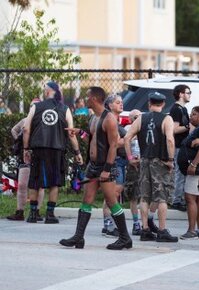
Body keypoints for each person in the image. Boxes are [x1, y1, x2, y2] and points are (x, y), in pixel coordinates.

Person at [60, 86, 132, 250]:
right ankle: (78, 237)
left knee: (111, 202)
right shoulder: (94, 118)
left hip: (105, 167)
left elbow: (114, 146)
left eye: (87, 97)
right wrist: (80, 133)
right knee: (87, 200)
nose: (84, 99)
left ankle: (125, 238)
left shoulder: (109, 119)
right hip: (93, 166)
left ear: (94, 99)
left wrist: (107, 169)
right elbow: (93, 140)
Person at [23, 81, 83, 223]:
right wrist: (77, 152)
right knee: (54, 183)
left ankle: (32, 214)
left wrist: (25, 149)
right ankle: (50, 215)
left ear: (48, 91)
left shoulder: (36, 107)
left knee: (35, 181)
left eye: (45, 89)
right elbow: (71, 133)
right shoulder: (65, 109)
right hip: (57, 149)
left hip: (38, 148)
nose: (44, 92)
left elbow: (26, 129)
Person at [124, 91, 178, 243]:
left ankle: (145, 229)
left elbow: (127, 137)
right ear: (162, 104)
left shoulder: (141, 118)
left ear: (149, 104)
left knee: (145, 196)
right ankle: (162, 230)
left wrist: (130, 158)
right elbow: (170, 140)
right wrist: (170, 159)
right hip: (160, 161)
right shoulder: (167, 119)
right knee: (162, 197)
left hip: (145, 160)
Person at [6, 115, 45, 221]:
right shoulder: (25, 120)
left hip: (40, 154)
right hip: (25, 155)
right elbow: (14, 130)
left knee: (40, 185)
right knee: (22, 184)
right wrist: (19, 141)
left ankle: (36, 211)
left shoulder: (45, 121)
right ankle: (20, 212)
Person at [178, 106, 199, 240]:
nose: (191, 116)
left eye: (194, 114)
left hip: (195, 170)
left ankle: (192, 230)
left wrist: (194, 164)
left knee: (190, 199)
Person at [100, 94, 127, 237]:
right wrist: (130, 136)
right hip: (114, 160)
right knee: (112, 194)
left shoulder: (115, 120)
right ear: (110, 105)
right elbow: (115, 143)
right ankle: (109, 226)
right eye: (118, 102)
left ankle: (111, 224)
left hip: (121, 160)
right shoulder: (110, 120)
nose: (121, 105)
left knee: (116, 193)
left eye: (121, 102)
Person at [169, 84, 191, 212]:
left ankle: (180, 198)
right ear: (181, 94)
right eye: (188, 92)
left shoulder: (183, 109)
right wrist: (189, 127)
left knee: (183, 173)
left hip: (183, 146)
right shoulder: (176, 109)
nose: (189, 95)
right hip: (178, 146)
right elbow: (174, 129)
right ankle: (176, 200)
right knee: (180, 173)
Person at [124, 109, 143, 236]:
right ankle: (136, 223)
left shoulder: (146, 127)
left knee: (146, 195)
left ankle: (146, 223)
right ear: (131, 119)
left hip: (145, 163)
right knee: (133, 195)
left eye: (140, 116)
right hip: (133, 165)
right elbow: (124, 142)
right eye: (135, 117)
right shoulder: (127, 129)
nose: (138, 119)